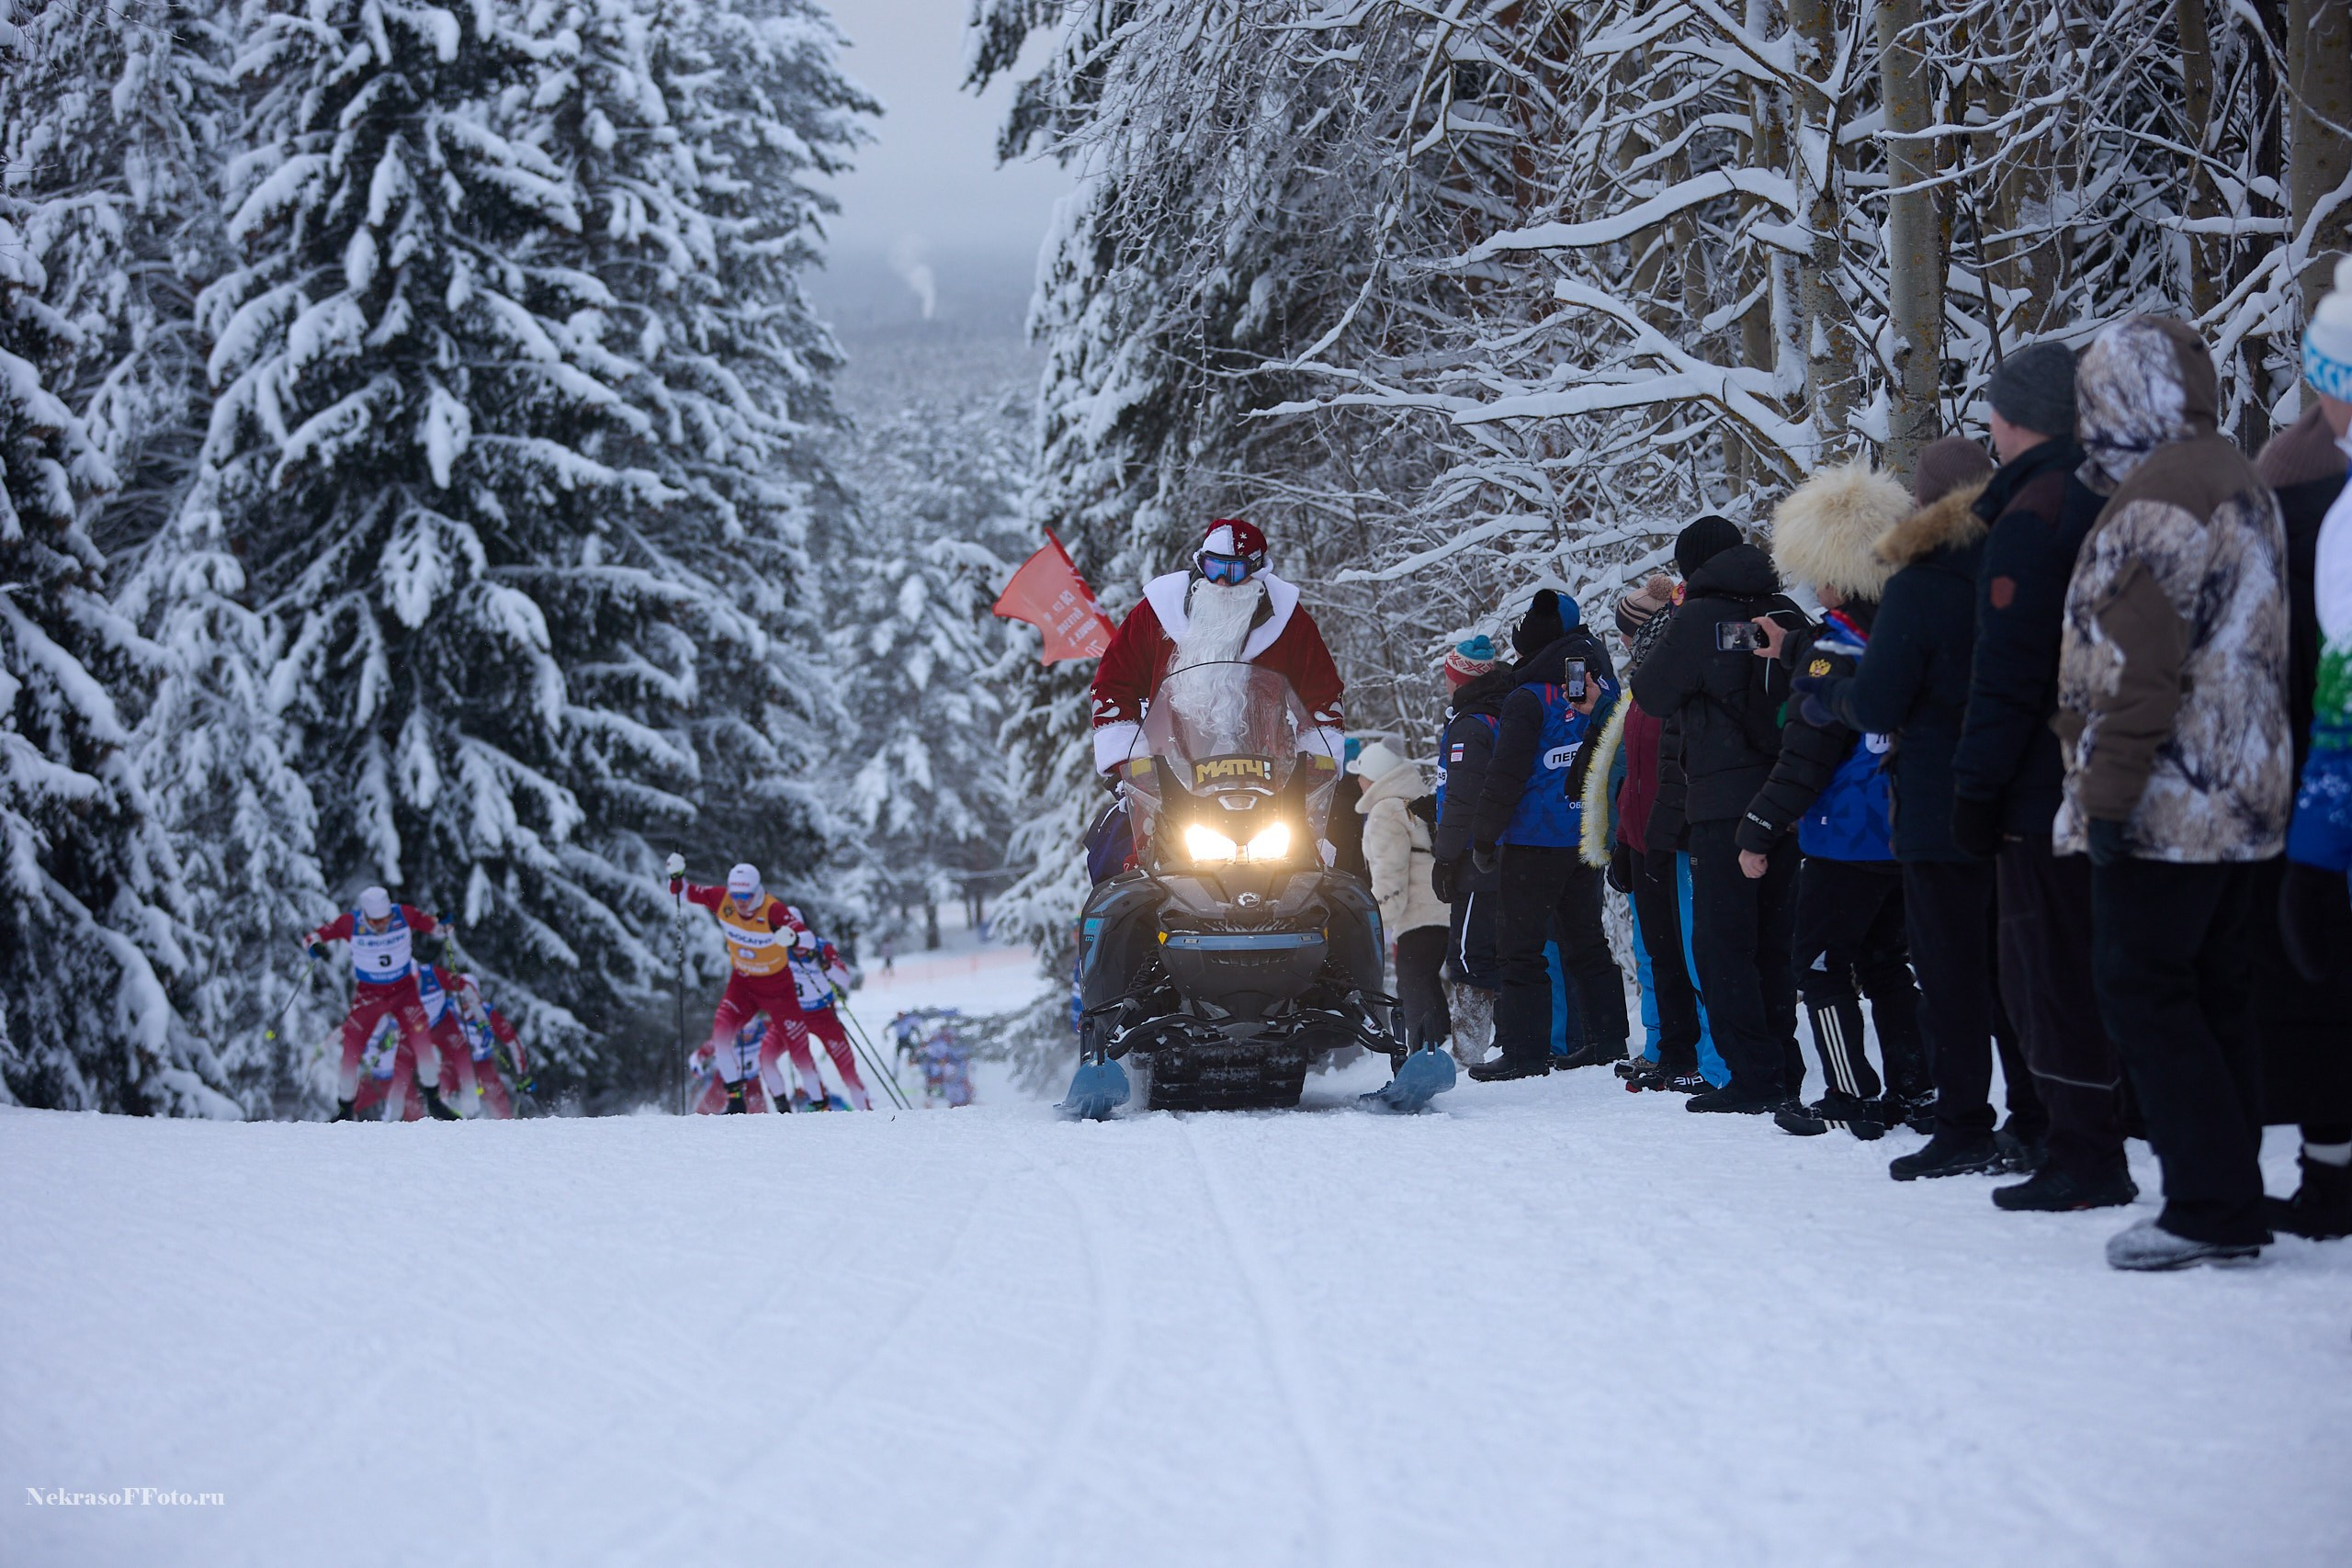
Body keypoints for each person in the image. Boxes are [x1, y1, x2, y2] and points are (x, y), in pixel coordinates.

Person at [2055, 317, 2292, 1271]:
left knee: (2145, 989)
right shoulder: (2237, 477)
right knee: (2215, 992)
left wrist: (2104, 798)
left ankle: (2206, 1203)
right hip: (2245, 787)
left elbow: (2136, 670)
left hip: (2169, 798)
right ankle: (2228, 1190)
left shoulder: (2154, 503)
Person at [1808, 438, 2046, 1177]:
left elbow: (1879, 699)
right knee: (2015, 969)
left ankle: (1963, 1121)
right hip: (2020, 796)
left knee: (1948, 972)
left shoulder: (1923, 582)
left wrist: (1827, 695)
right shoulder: (2030, 564)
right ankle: (2035, 1115)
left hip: (1939, 798)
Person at [1949, 342, 2135, 1212]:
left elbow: (2009, 669)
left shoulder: (2035, 512)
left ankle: (2084, 1151)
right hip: (2105, 767)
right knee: (2085, 964)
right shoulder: (2104, 494)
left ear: (2013, 418)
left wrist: (1975, 788)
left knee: (2044, 974)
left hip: (2039, 781)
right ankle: (2101, 1133)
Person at [1740, 466, 1928, 1139]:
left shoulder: (1831, 650)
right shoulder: (1904, 632)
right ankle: (1918, 1084)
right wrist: (1795, 645)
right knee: (1886, 963)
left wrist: (1758, 827)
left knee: (1819, 965)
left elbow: (1807, 755)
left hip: (1844, 838)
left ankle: (1850, 1089)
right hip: (1905, 831)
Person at [1631, 518, 1805, 1112]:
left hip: (1722, 811)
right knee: (1774, 944)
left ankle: (1754, 1075)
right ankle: (1785, 1067)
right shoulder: (1784, 611)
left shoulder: (1698, 618)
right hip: (1786, 804)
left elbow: (1650, 691)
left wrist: (1678, 620)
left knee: (1722, 946)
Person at [2264, 264, 2352, 1240]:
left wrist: (2317, 848)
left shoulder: (2327, 521)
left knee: (2319, 988)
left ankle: (2330, 1175)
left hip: (2317, 788)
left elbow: (2341, 702)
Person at [1467, 591, 1625, 1081]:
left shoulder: (1527, 696)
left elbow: (1506, 774)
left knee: (1519, 948)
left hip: (1534, 840)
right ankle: (1607, 1039)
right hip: (1586, 835)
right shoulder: (1605, 691)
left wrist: (1484, 837)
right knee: (1587, 941)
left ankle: (1524, 1051)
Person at [1090, 518, 1345, 779]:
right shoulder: (1158, 610)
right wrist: (1127, 760)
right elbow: (1114, 681)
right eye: (1213, 568)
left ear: (1256, 572)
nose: (1222, 582)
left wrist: (1317, 763)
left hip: (1270, 774)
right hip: (1169, 775)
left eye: (1233, 572)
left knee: (1337, 818)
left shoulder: (1288, 619)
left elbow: (1321, 693)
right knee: (1115, 821)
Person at [1610, 577, 1719, 1094]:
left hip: (1675, 836)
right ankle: (1675, 1052)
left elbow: (1674, 766)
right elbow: (1635, 773)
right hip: (1645, 836)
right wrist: (1624, 841)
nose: (1623, 644)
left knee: (1696, 951)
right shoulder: (1644, 685)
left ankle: (1716, 1060)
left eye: (1628, 632)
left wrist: (1659, 831)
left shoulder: (1672, 681)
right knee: (1662, 953)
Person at [667, 856, 820, 1113]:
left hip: (776, 986)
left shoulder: (772, 909)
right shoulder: (723, 899)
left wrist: (793, 938)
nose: (741, 902)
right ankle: (735, 1101)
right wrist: (675, 876)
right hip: (743, 983)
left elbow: (810, 940)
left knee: (798, 1050)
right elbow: (683, 892)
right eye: (736, 896)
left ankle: (820, 1106)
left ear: (757, 891)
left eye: (746, 896)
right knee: (722, 1035)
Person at [305, 886, 459, 1122]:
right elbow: (312, 936)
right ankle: (345, 1108)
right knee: (352, 1048)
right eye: (376, 921)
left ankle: (434, 1100)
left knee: (422, 1041)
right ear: (365, 914)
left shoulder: (404, 914)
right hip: (370, 995)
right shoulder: (350, 923)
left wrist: (445, 921)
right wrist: (315, 947)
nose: (382, 925)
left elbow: (439, 929)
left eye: (386, 919)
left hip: (404, 991)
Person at [1431, 635, 1511, 1063]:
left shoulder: (1470, 724)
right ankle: (1508, 1040)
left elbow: (1463, 797)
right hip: (1507, 850)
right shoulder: (1500, 713)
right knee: (1504, 947)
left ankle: (1470, 1049)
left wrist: (1445, 857)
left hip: (1477, 856)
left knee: (1468, 953)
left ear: (1458, 678)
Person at [1351, 740, 1452, 1053]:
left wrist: (1376, 924)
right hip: (1444, 909)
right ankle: (1441, 1045)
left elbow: (1390, 875)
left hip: (1418, 912)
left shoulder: (1384, 812)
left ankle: (1423, 1052)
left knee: (1412, 983)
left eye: (1361, 774)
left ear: (1375, 778)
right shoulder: (1415, 802)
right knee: (1428, 980)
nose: (1357, 780)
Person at [780, 926, 874, 1111]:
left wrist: (827, 966)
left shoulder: (822, 948)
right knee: (802, 1064)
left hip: (824, 1014)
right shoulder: (779, 948)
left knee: (848, 1071)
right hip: (795, 1015)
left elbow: (845, 980)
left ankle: (867, 1112)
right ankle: (817, 1108)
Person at [449, 971, 527, 1119]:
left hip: (481, 1064)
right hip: (453, 1065)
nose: (464, 1004)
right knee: (444, 1090)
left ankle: (505, 1127)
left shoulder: (486, 1013)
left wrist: (521, 1072)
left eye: (468, 999)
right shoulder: (447, 1010)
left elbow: (512, 1040)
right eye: (460, 999)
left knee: (495, 1094)